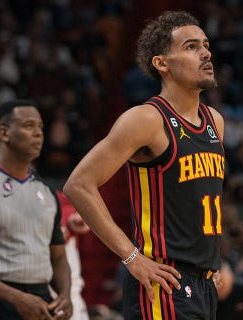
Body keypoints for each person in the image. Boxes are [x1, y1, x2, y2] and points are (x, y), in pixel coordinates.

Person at [64, 10, 225, 319]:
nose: (205, 53)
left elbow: (204, 197)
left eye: (205, 45)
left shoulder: (214, 121)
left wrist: (214, 260)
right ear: (161, 63)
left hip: (203, 284)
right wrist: (131, 257)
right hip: (164, 283)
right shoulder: (147, 119)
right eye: (191, 47)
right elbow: (78, 185)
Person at [0, 99, 73, 319]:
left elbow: (59, 256)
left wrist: (65, 294)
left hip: (42, 300)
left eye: (41, 127)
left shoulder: (47, 192)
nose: (38, 134)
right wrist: (15, 297)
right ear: (4, 133)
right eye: (28, 126)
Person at [57, 191, 92, 320]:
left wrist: (71, 219)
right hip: (42, 290)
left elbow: (79, 218)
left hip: (72, 293)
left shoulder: (56, 196)